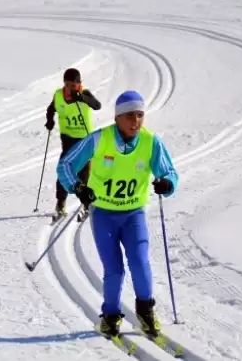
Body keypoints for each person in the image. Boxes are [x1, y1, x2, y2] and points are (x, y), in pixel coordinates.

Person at [56, 90, 179, 339]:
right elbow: (66, 165)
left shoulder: (150, 142)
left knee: (140, 261)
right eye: (130, 116)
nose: (136, 121)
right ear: (118, 118)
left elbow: (169, 172)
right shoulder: (100, 139)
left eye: (140, 115)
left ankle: (145, 313)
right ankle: (110, 317)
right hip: (103, 213)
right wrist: (78, 188)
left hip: (133, 213)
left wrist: (166, 183)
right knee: (114, 269)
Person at [45, 67, 102, 218]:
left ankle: (86, 204)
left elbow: (97, 105)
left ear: (79, 84)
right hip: (68, 138)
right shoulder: (58, 95)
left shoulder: (85, 94)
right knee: (64, 169)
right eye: (67, 85)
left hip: (84, 139)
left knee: (84, 172)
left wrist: (82, 98)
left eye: (73, 85)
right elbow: (51, 109)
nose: (70, 88)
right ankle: (61, 202)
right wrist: (49, 121)